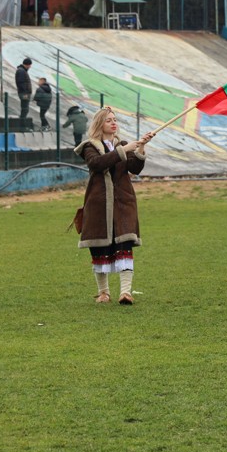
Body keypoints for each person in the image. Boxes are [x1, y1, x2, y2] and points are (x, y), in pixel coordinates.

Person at [75, 108, 153, 305]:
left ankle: (125, 292)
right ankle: (103, 293)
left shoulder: (122, 144)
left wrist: (141, 147)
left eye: (115, 119)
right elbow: (97, 164)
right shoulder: (89, 146)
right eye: (108, 120)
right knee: (99, 248)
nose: (113, 123)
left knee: (124, 245)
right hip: (98, 204)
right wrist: (124, 151)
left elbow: (135, 168)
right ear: (99, 124)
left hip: (123, 203)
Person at [15, 58, 33, 125]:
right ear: (27, 64)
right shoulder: (21, 71)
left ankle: (22, 124)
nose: (30, 67)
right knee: (25, 109)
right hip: (24, 94)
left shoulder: (22, 70)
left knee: (25, 109)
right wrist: (25, 93)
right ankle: (22, 124)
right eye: (30, 65)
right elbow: (21, 83)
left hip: (24, 93)